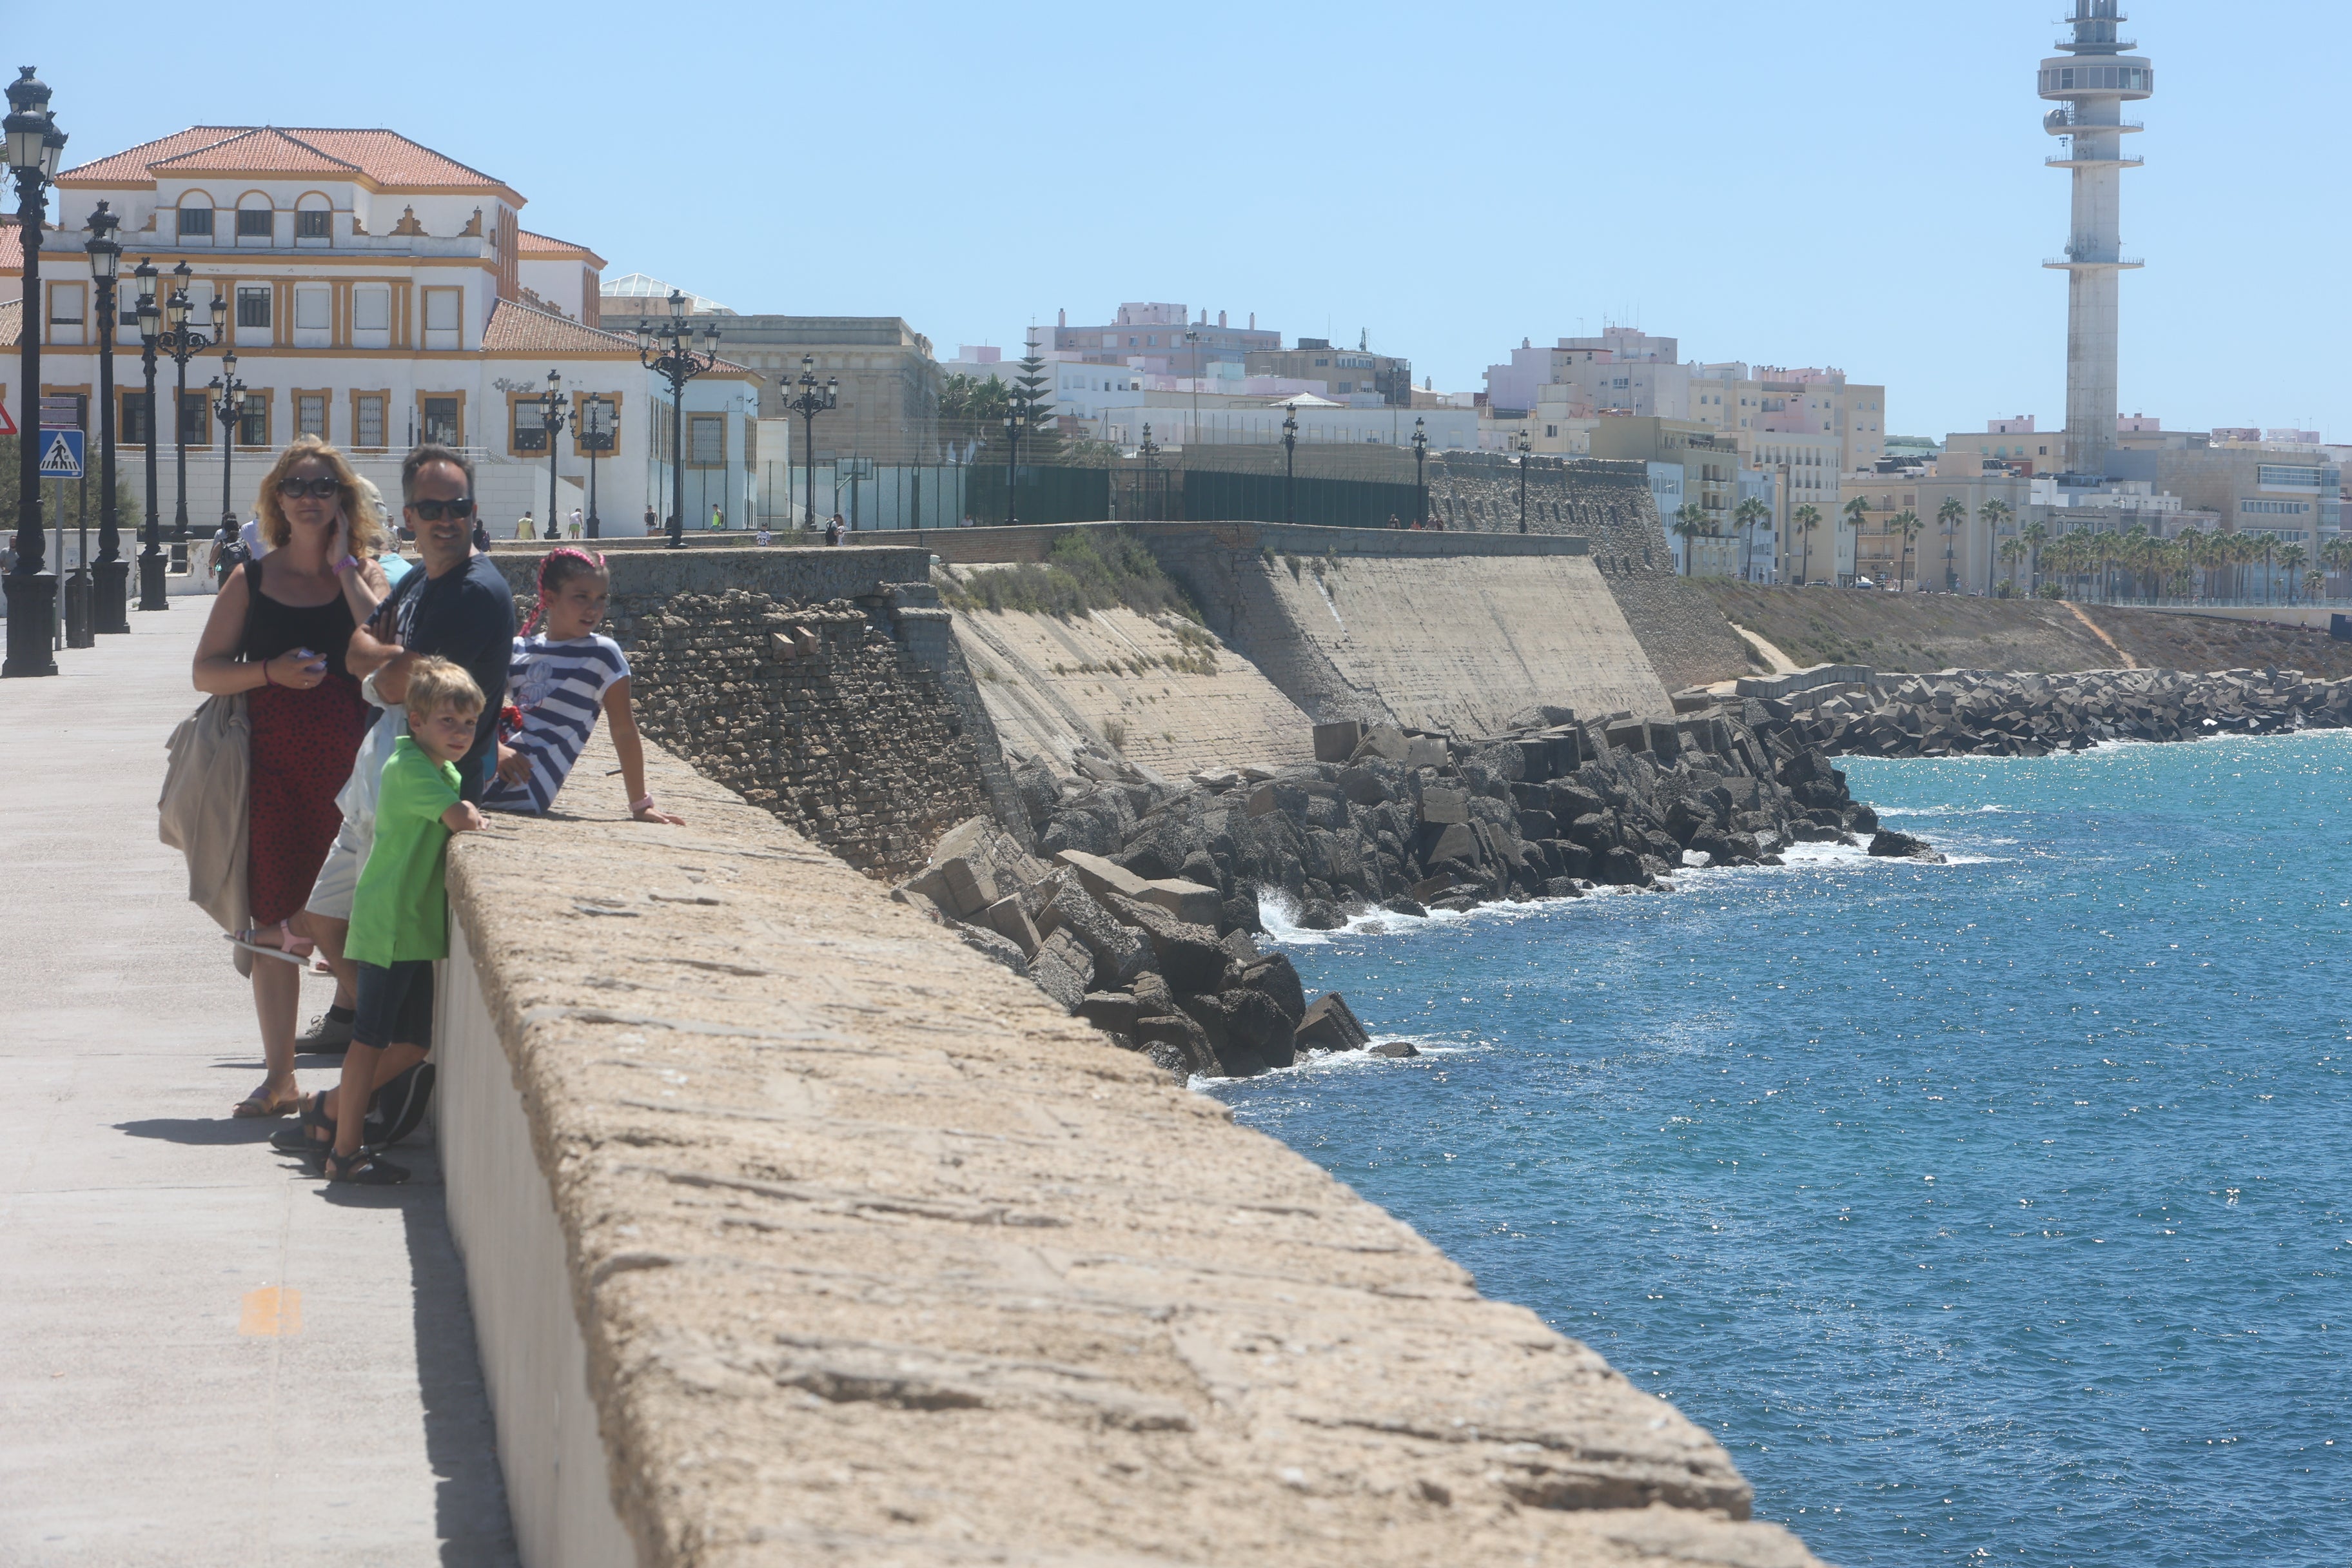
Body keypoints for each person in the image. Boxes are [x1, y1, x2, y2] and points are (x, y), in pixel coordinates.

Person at [191, 436, 390, 1119]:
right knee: (272, 922)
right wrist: (269, 672)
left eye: (323, 485)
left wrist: (342, 570)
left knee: (349, 917)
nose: (310, 496)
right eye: (297, 486)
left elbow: (388, 652)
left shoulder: (366, 576)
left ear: (343, 499)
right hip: (271, 770)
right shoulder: (250, 578)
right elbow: (206, 671)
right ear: (278, 499)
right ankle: (281, 1077)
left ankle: (380, 1071)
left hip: (351, 775)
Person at [298, 446, 517, 1055]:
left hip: (427, 793)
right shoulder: (423, 579)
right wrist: (381, 658)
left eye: (458, 507)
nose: (446, 519)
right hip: (384, 782)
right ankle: (368, 1032)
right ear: (409, 515)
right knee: (324, 917)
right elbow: (357, 653)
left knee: (391, 948)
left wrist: (379, 662)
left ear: (474, 511)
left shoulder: (474, 592)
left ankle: (375, 1070)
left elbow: (394, 680)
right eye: (430, 508)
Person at [326, 656, 486, 1184]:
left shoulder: (438, 766)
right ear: (414, 721)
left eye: (469, 723)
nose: (461, 733)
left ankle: (328, 1110)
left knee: (413, 1044)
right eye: (448, 722)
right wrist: (474, 815)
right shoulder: (412, 769)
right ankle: (345, 1151)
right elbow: (461, 817)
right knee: (368, 1042)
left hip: (412, 926)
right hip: (391, 924)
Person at [485, 549, 686, 823]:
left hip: (523, 786)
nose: (593, 608)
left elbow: (624, 730)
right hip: (488, 763)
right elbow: (477, 708)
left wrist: (641, 805)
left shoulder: (602, 655)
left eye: (601, 598)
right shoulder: (518, 649)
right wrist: (492, 749)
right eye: (581, 597)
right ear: (550, 598)